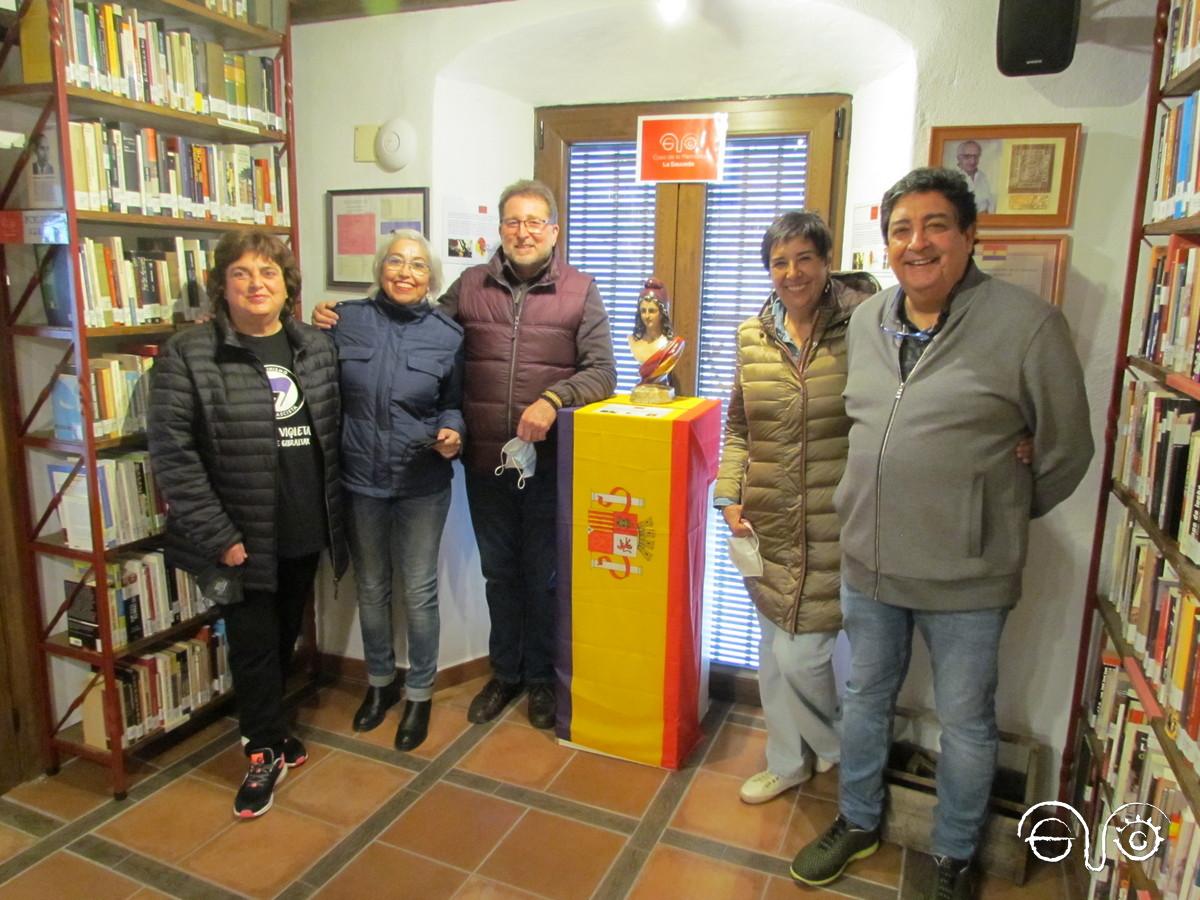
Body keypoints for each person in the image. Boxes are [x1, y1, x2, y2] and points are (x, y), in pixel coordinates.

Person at [789, 167, 1092, 899]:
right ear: (886, 241)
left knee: (965, 722)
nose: (916, 243)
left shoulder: (1027, 325)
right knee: (864, 698)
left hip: (968, 576)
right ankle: (859, 820)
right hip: (870, 562)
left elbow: (1067, 450)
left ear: (968, 236)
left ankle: (953, 854)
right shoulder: (867, 320)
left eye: (934, 226)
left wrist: (990, 513)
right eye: (900, 229)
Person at [314, 179, 616, 729]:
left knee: (545, 576)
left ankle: (544, 680)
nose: (522, 232)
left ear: (553, 230)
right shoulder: (470, 286)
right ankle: (505, 674)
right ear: (499, 229)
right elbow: (418, 329)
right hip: (485, 464)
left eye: (534, 222)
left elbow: (602, 372)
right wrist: (338, 317)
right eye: (512, 222)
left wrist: (553, 399)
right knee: (500, 575)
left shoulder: (581, 291)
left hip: (548, 468)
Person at [148, 230, 347, 819]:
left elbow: (328, 435)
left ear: (288, 285)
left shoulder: (313, 346)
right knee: (254, 645)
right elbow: (173, 456)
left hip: (304, 524)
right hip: (238, 534)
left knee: (282, 633)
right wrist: (220, 536)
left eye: (268, 272)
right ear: (222, 285)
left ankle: (274, 730)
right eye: (242, 273)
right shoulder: (189, 353)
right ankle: (262, 752)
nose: (256, 284)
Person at [714, 211, 875, 805]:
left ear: (826, 260)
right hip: (768, 523)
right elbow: (738, 426)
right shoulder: (751, 336)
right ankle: (787, 762)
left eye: (804, 257)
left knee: (802, 653)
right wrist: (728, 493)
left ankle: (838, 751)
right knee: (772, 651)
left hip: (836, 521)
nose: (792, 272)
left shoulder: (864, 327)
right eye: (779, 262)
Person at [330, 229, 464, 752]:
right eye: (395, 262)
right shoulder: (345, 321)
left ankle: (420, 694)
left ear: (431, 277)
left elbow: (454, 402)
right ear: (379, 270)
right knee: (370, 589)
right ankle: (380, 685)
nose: (405, 272)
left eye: (417, 265)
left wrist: (455, 433)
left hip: (421, 482)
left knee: (419, 591)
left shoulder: (448, 334)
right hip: (360, 480)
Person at [628, 278, 674, 364]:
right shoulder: (633, 341)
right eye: (643, 311)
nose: (647, 316)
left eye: (652, 311)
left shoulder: (668, 345)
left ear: (662, 313)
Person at [954, 140, 994, 213]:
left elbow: (991, 203)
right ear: (959, 158)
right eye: (967, 156)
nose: (973, 161)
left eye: (976, 157)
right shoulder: (951, 179)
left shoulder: (984, 177)